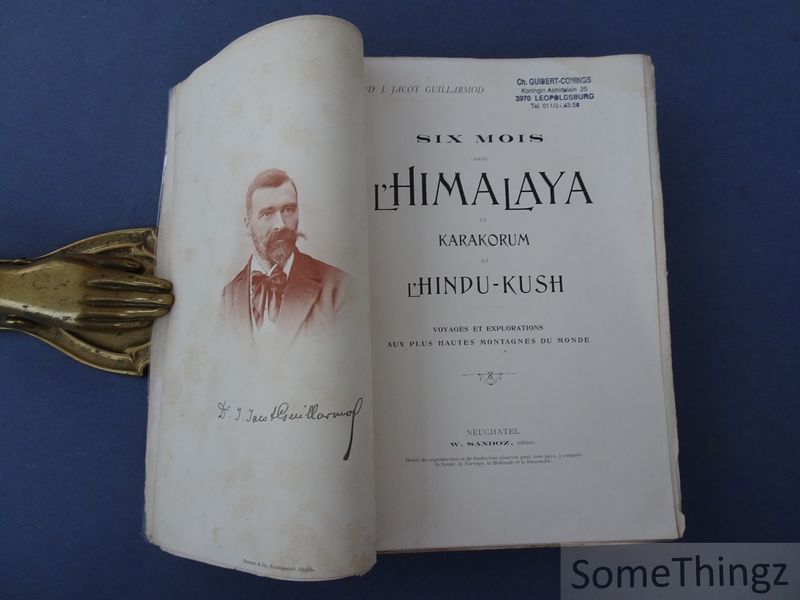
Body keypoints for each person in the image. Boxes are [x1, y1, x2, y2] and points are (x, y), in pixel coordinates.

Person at [221, 169, 352, 353]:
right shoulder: (228, 299)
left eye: (288, 210)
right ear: (248, 225)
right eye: (267, 213)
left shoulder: (340, 289)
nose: (281, 224)